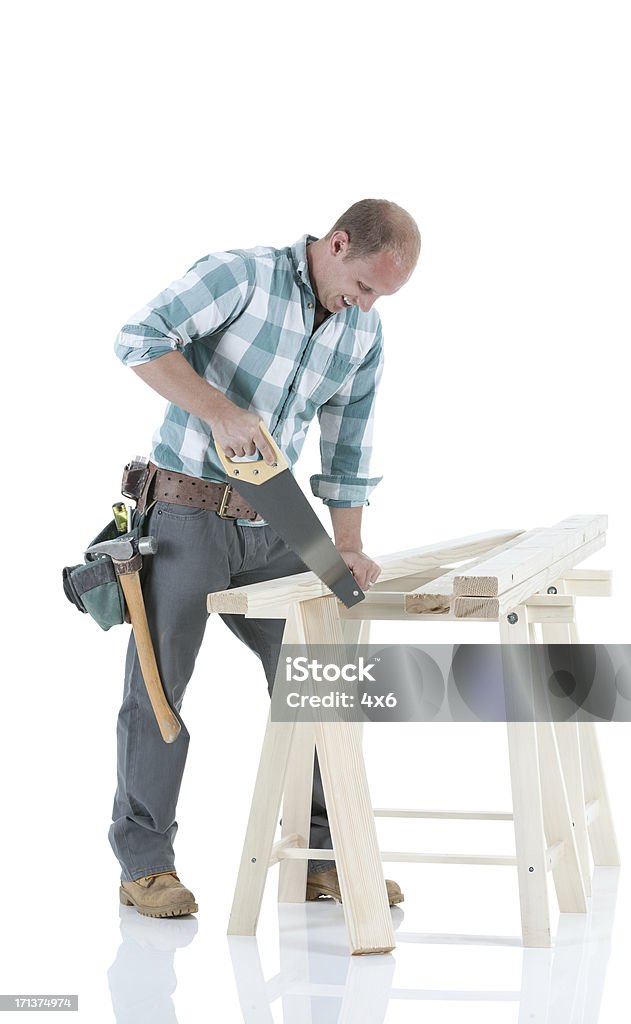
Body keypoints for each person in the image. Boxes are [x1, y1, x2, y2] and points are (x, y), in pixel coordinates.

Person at [110, 199, 421, 917]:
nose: (367, 304)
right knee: (159, 690)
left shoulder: (360, 334)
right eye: (364, 286)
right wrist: (217, 409)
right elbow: (136, 337)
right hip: (185, 511)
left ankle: (320, 857)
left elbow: (349, 445)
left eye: (380, 297)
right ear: (337, 242)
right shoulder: (241, 276)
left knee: (319, 684)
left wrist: (346, 546)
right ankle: (146, 866)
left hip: (278, 525)